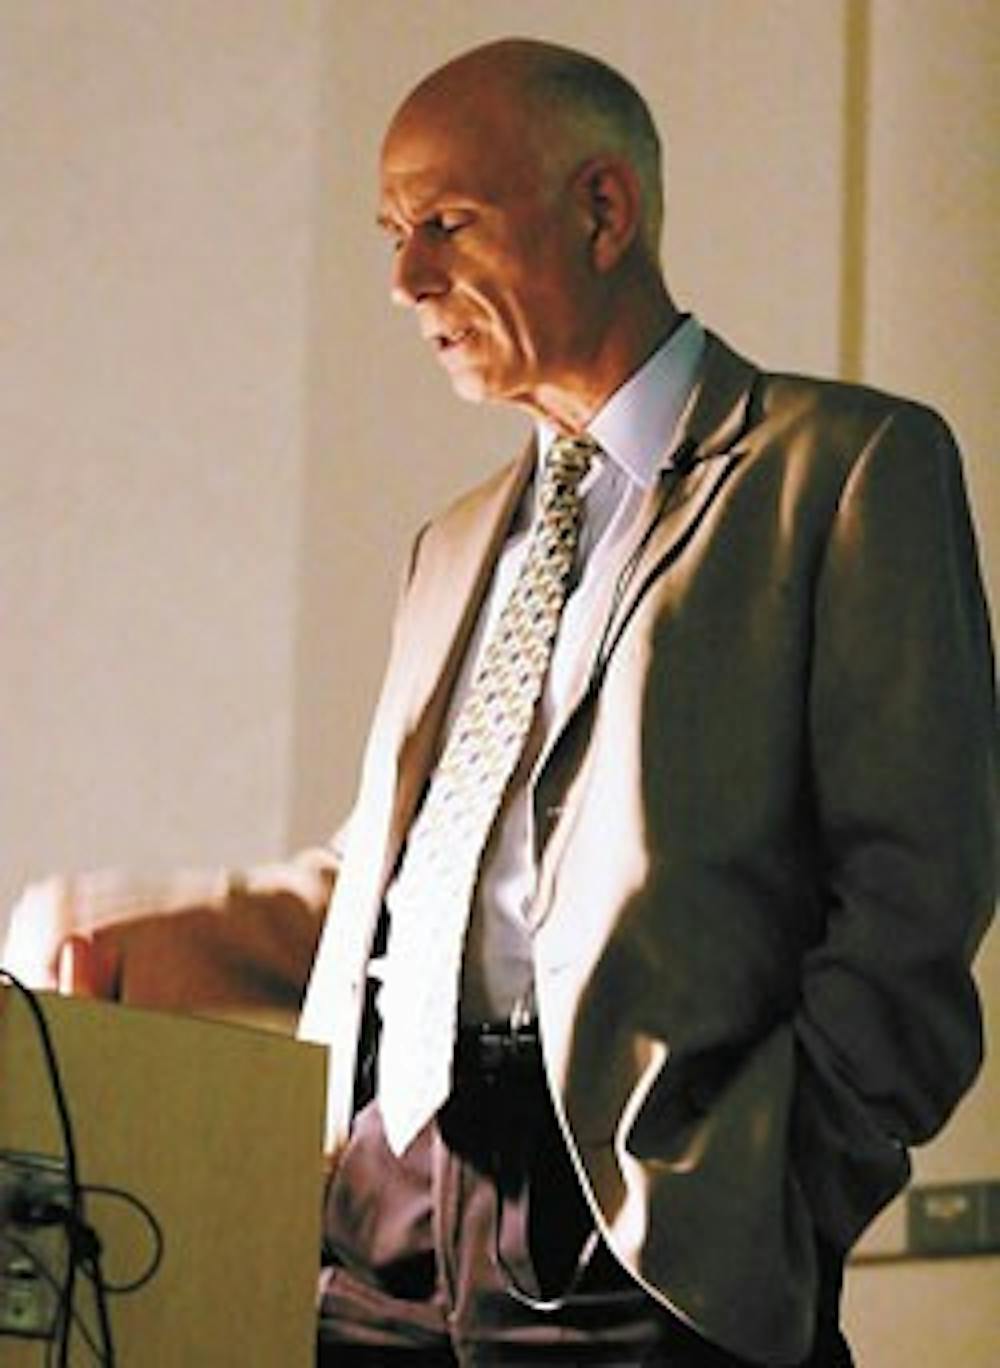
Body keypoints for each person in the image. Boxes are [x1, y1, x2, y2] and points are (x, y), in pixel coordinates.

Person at [3, 37, 996, 1368]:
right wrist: (167, 925)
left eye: (447, 223)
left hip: (646, 1227)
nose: (408, 279)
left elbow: (915, 898)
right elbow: (419, 883)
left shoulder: (843, 471)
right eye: (391, 233)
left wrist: (777, 1193)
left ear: (603, 210)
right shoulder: (457, 542)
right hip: (379, 1218)